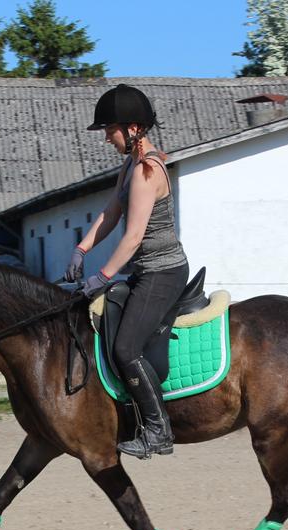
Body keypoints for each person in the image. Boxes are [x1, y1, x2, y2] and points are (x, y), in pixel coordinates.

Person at [65, 84, 190, 459]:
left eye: (109, 129)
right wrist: (81, 247)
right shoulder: (130, 165)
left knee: (125, 347)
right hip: (145, 271)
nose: (106, 137)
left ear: (133, 128)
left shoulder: (147, 171)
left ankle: (158, 430)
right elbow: (111, 213)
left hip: (163, 271)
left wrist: (102, 276)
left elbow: (133, 237)